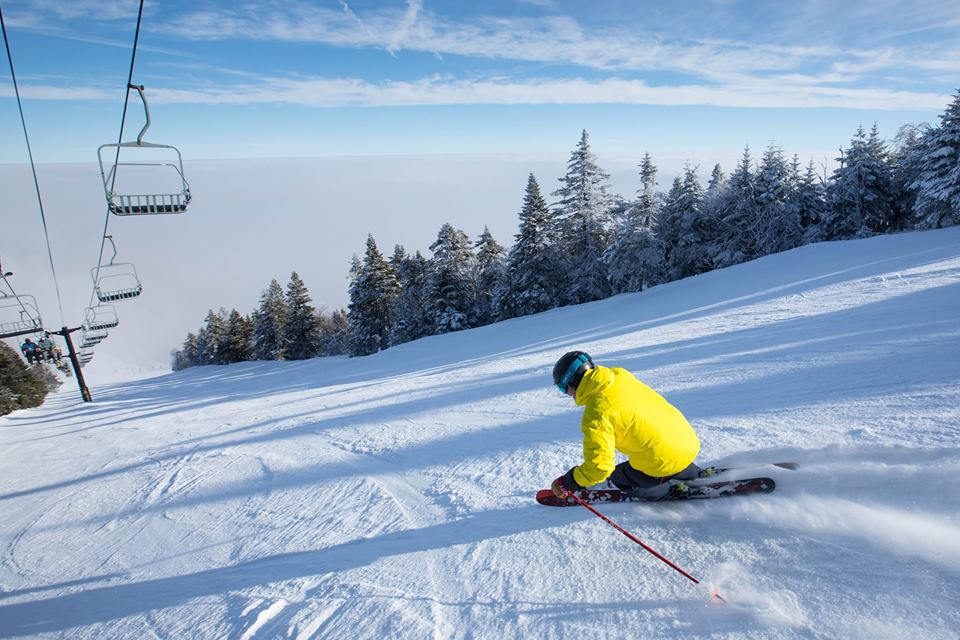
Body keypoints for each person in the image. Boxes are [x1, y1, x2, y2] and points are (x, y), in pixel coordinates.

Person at [550, 351, 702, 499]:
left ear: (572, 381)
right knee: (661, 452)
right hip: (688, 441)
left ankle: (661, 490)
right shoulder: (620, 376)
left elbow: (599, 468)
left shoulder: (597, 412)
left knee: (619, 476)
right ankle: (689, 472)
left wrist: (568, 482)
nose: (567, 393)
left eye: (563, 387)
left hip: (663, 461)